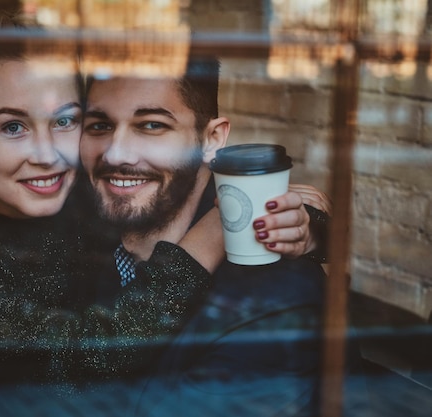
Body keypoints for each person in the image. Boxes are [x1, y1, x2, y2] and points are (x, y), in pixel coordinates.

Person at [0, 15, 332, 417]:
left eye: (65, 122)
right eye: (12, 126)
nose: (49, 153)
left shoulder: (79, 201)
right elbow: (63, 371)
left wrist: (305, 224)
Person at [77, 59, 330, 416]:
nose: (116, 153)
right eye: (100, 125)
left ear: (212, 140)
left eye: (151, 125)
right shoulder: (87, 251)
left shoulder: (271, 302)